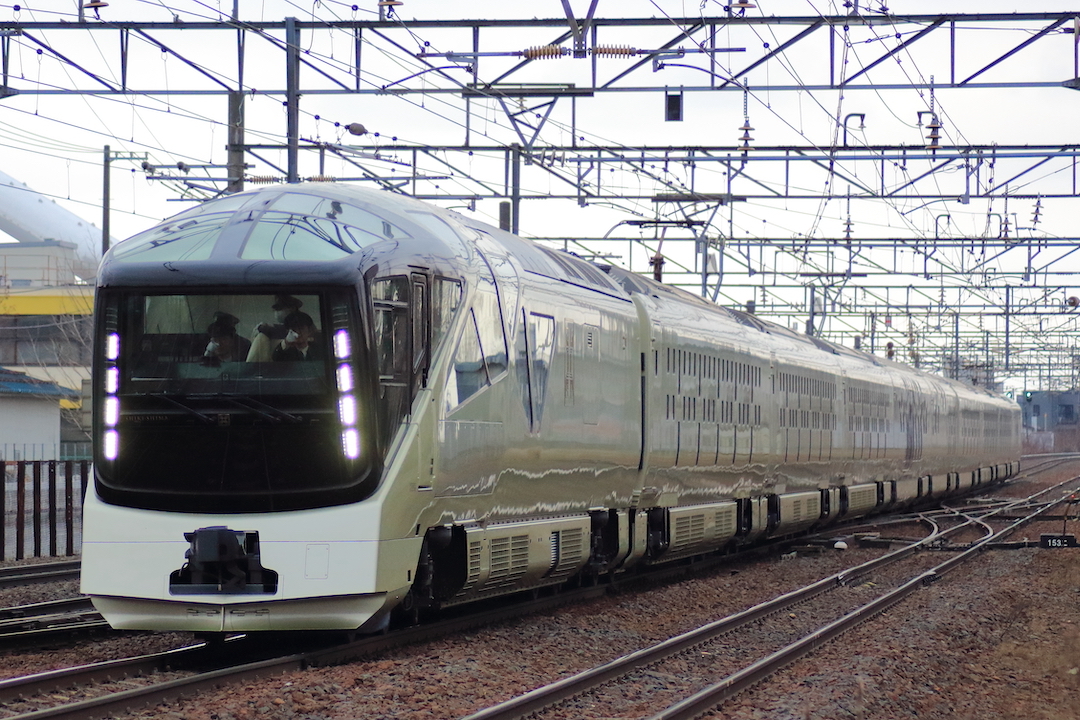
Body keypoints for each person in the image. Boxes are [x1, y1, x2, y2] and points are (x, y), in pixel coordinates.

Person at [246, 294, 304, 362]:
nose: (277, 312)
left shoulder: (302, 322)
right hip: (278, 362)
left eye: (280, 309)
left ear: (292, 308)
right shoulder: (274, 328)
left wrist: (264, 328)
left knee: (262, 337)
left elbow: (290, 332)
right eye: (276, 310)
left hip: (294, 361)